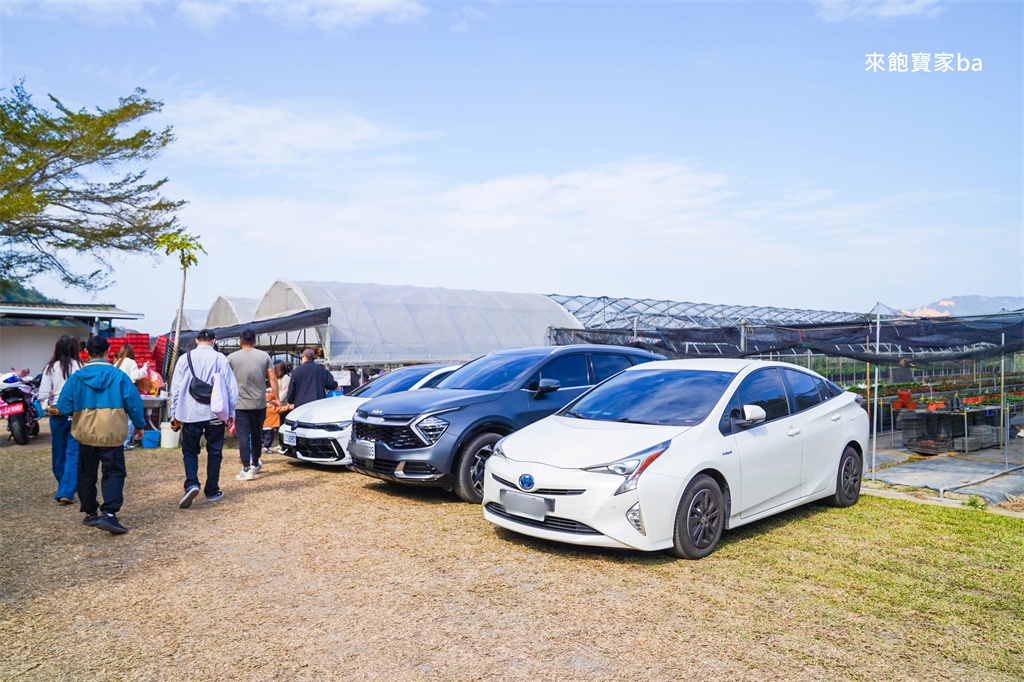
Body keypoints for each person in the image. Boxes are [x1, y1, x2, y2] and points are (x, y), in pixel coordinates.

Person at [56, 335, 145, 535]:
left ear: (86, 352)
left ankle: (90, 512)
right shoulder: (119, 376)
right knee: (113, 472)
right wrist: (139, 425)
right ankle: (110, 514)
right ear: (107, 352)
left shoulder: (76, 377)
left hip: (85, 432)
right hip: (112, 432)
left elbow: (62, 406)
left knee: (86, 473)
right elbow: (133, 402)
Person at [169, 329, 238, 509]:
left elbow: (175, 388)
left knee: (190, 451)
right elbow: (231, 388)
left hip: (189, 413)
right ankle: (212, 490)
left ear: (196, 340)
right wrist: (231, 413)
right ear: (214, 341)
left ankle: (191, 483)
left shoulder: (185, 359)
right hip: (214, 413)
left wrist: (174, 414)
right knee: (214, 452)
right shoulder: (221, 359)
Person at [227, 329, 278, 481]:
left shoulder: (231, 358)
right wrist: (278, 398)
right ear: (255, 341)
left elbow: (225, 380)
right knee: (257, 434)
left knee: (243, 436)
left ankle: (246, 468)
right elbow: (273, 379)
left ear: (239, 341)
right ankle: (255, 462)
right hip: (259, 403)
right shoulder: (264, 356)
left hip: (240, 404)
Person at [38, 334, 83, 505]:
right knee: (73, 452)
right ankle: (67, 489)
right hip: (76, 413)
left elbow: (42, 394)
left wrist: (49, 402)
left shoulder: (50, 368)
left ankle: (64, 485)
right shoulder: (80, 366)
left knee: (58, 452)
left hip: (56, 414)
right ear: (75, 348)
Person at [113, 344, 149, 451]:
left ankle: (118, 441)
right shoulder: (130, 362)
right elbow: (135, 376)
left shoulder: (117, 363)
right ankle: (124, 443)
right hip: (127, 393)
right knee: (129, 420)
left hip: (115, 395)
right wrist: (145, 368)